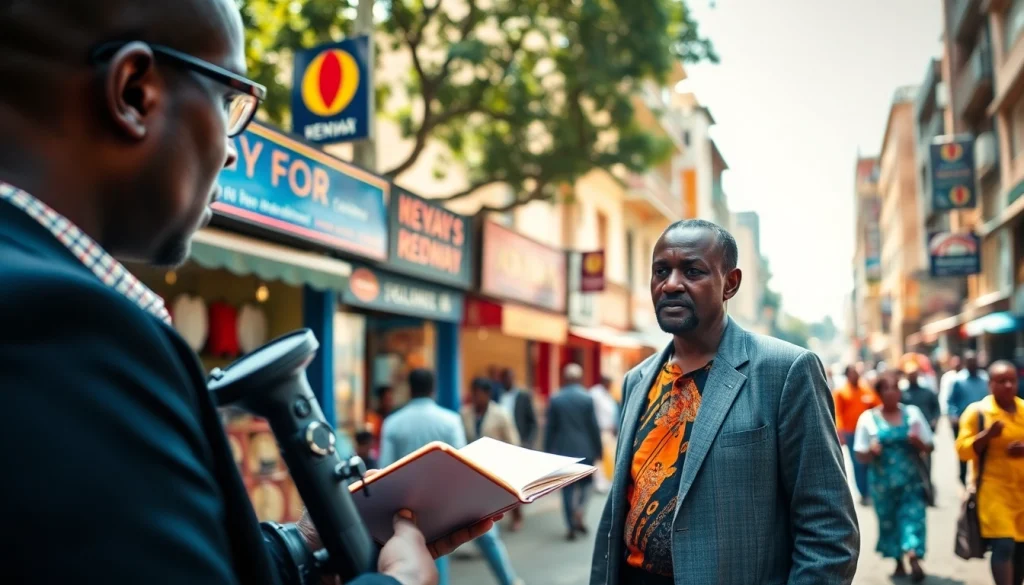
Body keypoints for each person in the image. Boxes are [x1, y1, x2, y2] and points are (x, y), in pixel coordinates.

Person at [0, 2, 496, 582]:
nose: (233, 149)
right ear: (135, 93)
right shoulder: (68, 328)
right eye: (227, 100)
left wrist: (301, 546)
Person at [590, 219, 858, 585]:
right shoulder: (637, 380)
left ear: (730, 283)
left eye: (692, 271)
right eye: (661, 271)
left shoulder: (785, 371)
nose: (671, 284)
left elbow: (828, 527)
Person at [379, 369, 484, 585]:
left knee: (406, 557)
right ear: (433, 389)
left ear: (409, 388)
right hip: (440, 501)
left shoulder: (392, 423)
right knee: (438, 552)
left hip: (403, 506)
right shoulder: (450, 420)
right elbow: (462, 463)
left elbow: (383, 469)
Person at [853, 372, 933, 582]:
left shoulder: (913, 414)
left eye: (895, 388)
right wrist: (871, 451)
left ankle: (913, 553)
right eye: (885, 389)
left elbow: (930, 446)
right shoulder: (868, 419)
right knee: (889, 521)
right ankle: (898, 560)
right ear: (878, 393)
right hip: (882, 484)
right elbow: (859, 454)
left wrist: (918, 442)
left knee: (913, 517)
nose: (891, 393)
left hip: (911, 481)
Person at [955, 361, 1024, 585]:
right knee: (1004, 545)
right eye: (1001, 381)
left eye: (1012, 380)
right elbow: (963, 451)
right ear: (990, 384)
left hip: (1021, 493)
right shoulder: (978, 413)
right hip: (993, 492)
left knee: (1020, 552)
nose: (1008, 385)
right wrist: (987, 435)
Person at [459, 378, 526, 585]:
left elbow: (513, 442)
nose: (476, 397)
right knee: (484, 526)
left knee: (488, 528)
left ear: (487, 394)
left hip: (494, 473)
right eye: (473, 392)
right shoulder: (464, 414)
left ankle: (507, 577)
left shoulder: (500, 414)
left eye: (479, 393)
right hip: (471, 475)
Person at [545, 363, 604, 541]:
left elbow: (550, 429)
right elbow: (593, 426)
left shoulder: (556, 399)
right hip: (586, 449)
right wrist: (598, 448)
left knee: (567, 488)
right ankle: (580, 510)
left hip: (564, 451)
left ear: (564, 378)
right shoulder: (586, 398)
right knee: (587, 485)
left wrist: (547, 452)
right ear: (579, 378)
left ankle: (570, 524)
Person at [833, 364, 881, 505]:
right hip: (851, 433)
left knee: (870, 462)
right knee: (858, 463)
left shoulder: (865, 389)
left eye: (857, 372)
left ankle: (872, 491)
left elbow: (877, 404)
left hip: (867, 432)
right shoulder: (841, 392)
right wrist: (840, 432)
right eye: (853, 373)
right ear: (847, 375)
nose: (856, 375)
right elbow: (838, 414)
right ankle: (863, 493)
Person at [496, 368, 537, 531]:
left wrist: (528, 443)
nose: (507, 381)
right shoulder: (496, 396)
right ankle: (508, 513)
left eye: (510, 378)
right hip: (500, 446)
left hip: (518, 445)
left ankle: (517, 516)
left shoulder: (523, 396)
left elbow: (532, 422)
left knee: (516, 484)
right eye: (505, 378)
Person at [948, 350, 991, 485]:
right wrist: (953, 416)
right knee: (965, 450)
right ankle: (963, 477)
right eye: (970, 362)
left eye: (974, 362)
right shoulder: (958, 380)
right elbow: (951, 401)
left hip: (984, 421)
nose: (973, 365)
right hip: (964, 422)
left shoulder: (985, 379)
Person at [589, 375, 620, 493]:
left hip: (609, 431)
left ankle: (607, 481)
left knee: (610, 457)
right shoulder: (595, 394)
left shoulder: (608, 395)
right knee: (600, 458)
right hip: (600, 430)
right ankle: (599, 482)